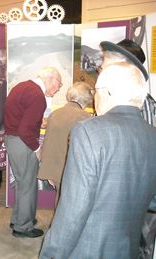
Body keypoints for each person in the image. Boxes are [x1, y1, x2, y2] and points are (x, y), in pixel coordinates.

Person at [39, 61, 156, 257]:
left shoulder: (89, 132)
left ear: (107, 92)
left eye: (97, 91)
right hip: (130, 249)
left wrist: (51, 254)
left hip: (89, 248)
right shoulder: (152, 136)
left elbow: (73, 210)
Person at [99, 38, 156, 259]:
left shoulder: (142, 104)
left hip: (135, 196)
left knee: (138, 246)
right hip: (120, 194)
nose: (101, 67)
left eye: (107, 63)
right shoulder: (117, 101)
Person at [4, 67, 63, 238]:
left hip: (12, 140)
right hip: (22, 143)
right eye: (59, 84)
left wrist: (38, 123)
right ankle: (23, 227)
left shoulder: (22, 86)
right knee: (28, 185)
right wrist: (37, 149)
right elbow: (25, 131)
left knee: (23, 184)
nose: (58, 89)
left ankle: (19, 218)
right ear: (50, 79)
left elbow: (21, 118)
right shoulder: (38, 96)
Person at [37, 81, 94, 206]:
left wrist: (49, 172)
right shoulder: (85, 118)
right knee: (67, 205)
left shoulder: (55, 114)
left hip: (54, 168)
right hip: (73, 170)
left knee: (60, 202)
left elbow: (48, 144)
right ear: (86, 99)